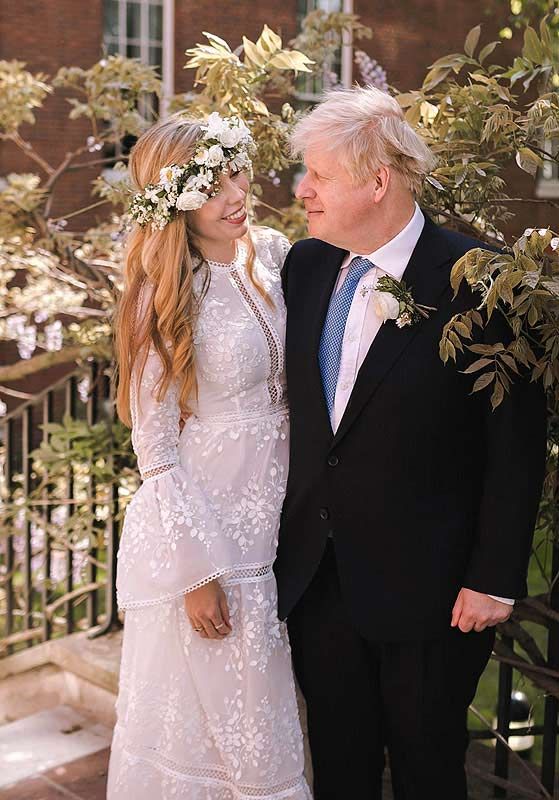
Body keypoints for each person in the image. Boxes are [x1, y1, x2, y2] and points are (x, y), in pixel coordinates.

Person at [273, 86, 547, 800]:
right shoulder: (304, 268)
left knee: (427, 770)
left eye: (318, 176)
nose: (302, 191)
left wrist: (492, 577)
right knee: (339, 766)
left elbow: (514, 443)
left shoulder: (482, 282)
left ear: (376, 181)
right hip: (318, 581)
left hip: (434, 593)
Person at [108, 112, 311, 800]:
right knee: (222, 721)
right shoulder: (163, 294)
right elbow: (157, 449)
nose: (235, 192)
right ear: (173, 201)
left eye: (236, 170)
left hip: (287, 512)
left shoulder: (277, 254)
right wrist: (194, 572)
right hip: (213, 533)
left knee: (272, 711)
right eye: (210, 183)